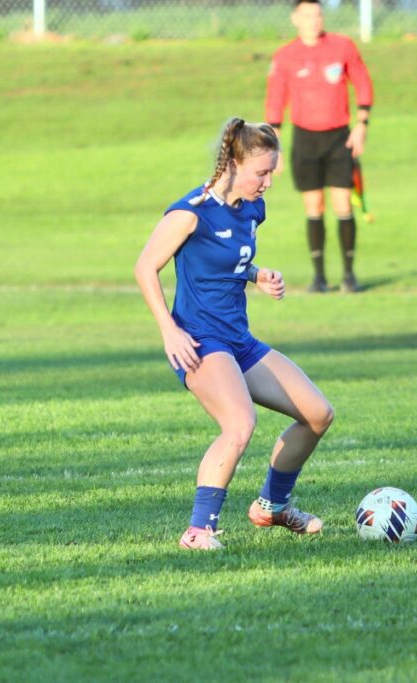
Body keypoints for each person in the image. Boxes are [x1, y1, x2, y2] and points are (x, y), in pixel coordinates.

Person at [134, 118, 334, 550]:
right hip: (200, 342)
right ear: (233, 164)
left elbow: (229, 260)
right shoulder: (190, 212)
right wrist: (169, 331)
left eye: (271, 173)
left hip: (239, 340)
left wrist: (258, 275)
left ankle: (272, 507)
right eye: (261, 172)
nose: (268, 183)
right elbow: (145, 267)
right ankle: (198, 530)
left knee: (318, 413)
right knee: (240, 423)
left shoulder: (250, 208)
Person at [265, 0, 373, 293]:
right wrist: (275, 148)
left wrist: (362, 124)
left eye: (318, 14)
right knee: (314, 207)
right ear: (295, 19)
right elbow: (276, 100)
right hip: (305, 139)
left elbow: (362, 81)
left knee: (342, 205)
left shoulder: (342, 46)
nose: (314, 20)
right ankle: (319, 277)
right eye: (307, 15)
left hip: (339, 137)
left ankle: (349, 275)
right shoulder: (286, 56)